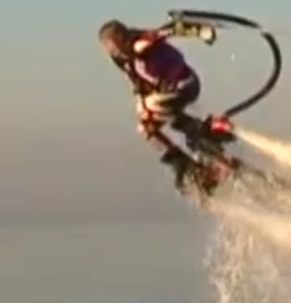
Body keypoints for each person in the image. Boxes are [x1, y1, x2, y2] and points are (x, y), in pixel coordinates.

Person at [98, 19, 236, 187]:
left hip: (185, 85)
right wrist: (141, 99)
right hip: (167, 93)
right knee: (146, 127)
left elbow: (168, 31)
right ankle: (189, 163)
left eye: (115, 46)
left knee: (149, 107)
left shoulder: (140, 44)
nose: (114, 51)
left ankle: (202, 130)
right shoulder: (121, 58)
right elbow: (137, 81)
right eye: (110, 49)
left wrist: (201, 31)